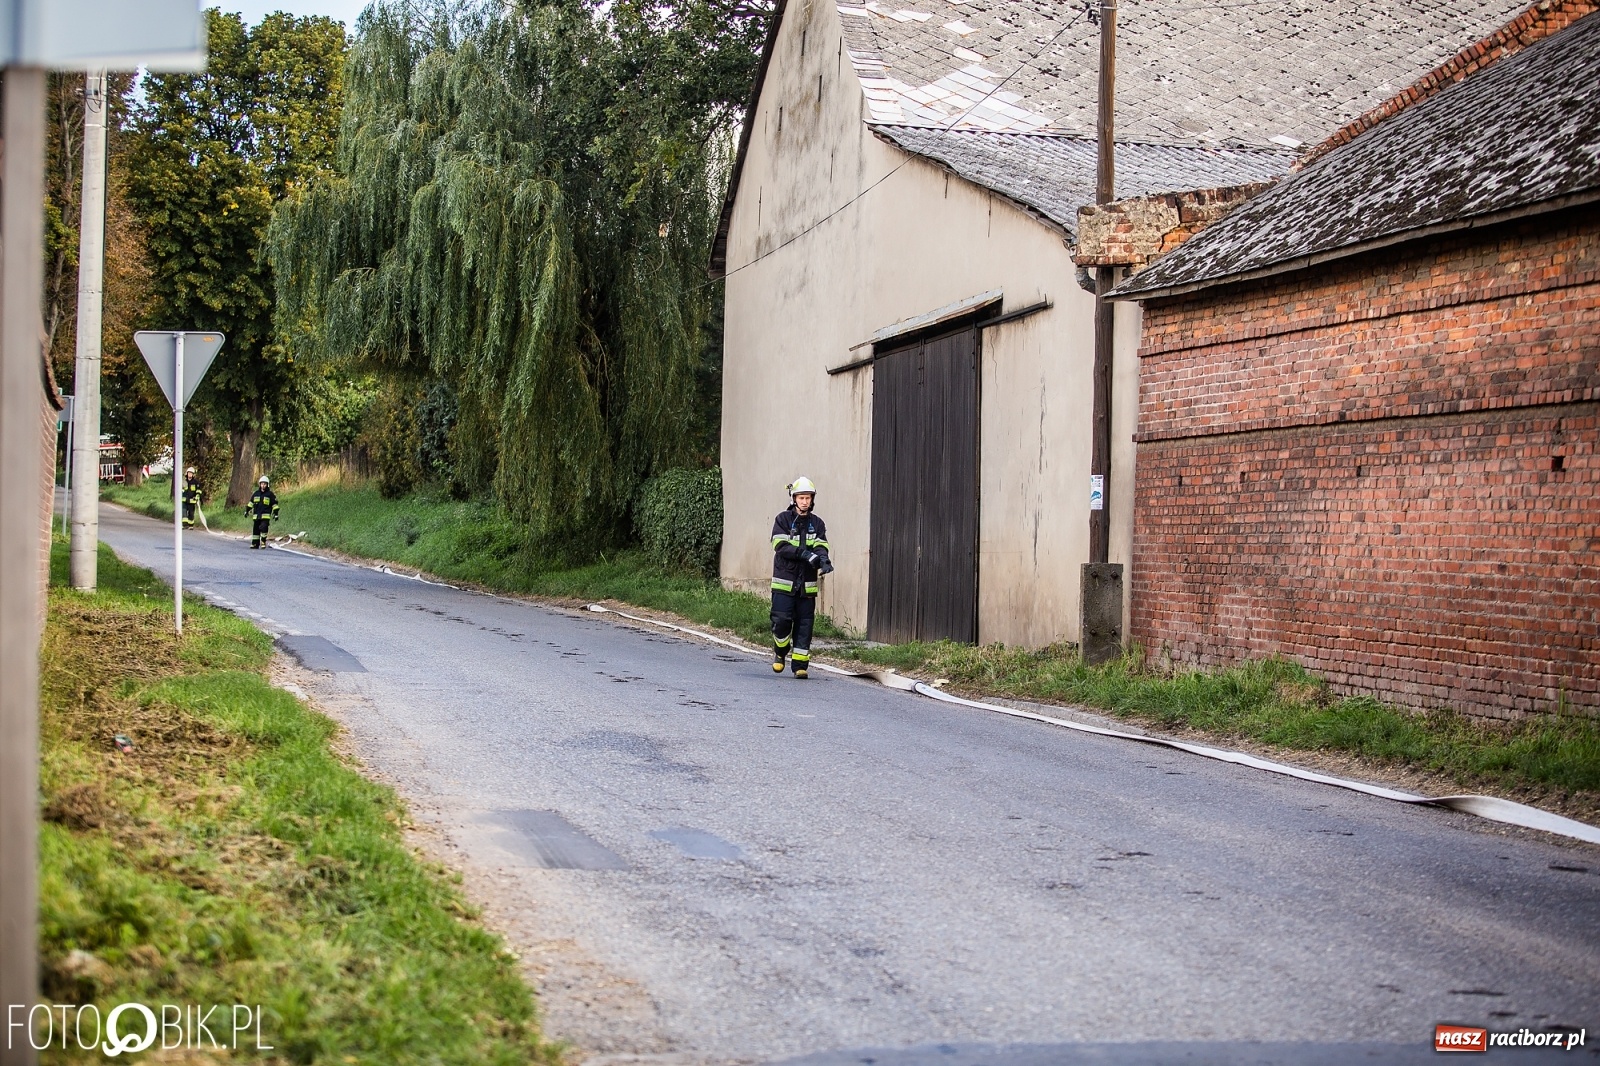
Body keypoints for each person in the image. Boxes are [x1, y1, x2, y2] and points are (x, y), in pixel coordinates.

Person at [770, 476, 832, 679]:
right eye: (801, 497)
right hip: (784, 583)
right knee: (781, 621)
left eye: (808, 497)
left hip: (807, 586)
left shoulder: (818, 523)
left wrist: (823, 560)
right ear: (793, 498)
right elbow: (780, 546)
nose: (805, 501)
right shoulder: (783, 520)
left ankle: (800, 665)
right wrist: (805, 554)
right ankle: (780, 651)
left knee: (805, 625)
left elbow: (821, 544)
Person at [247, 475, 280, 549]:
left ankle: (263, 541)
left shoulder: (270, 494)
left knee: (263, 528)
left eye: (265, 484)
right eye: (262, 484)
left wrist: (276, 514)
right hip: (256, 516)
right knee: (255, 530)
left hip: (265, 516)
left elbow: (274, 505)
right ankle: (255, 544)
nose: (263, 485)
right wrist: (247, 511)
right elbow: (250, 503)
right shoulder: (256, 494)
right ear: (260, 484)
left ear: (267, 485)